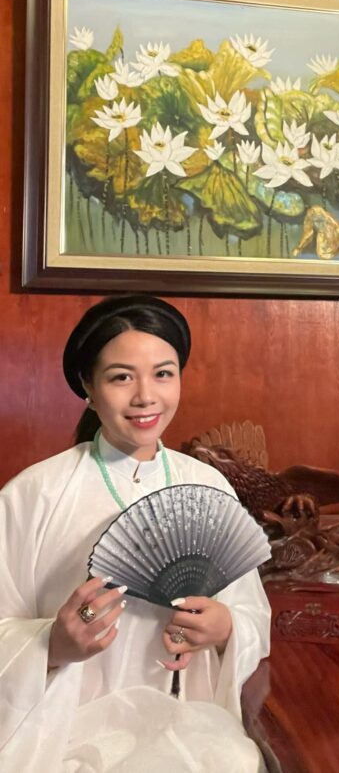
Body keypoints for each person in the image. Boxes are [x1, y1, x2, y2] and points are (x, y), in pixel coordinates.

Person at [0, 295, 271, 772]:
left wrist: (225, 629)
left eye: (163, 373)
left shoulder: (207, 486)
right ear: (88, 385)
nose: (146, 396)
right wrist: (52, 644)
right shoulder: (34, 495)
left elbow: (252, 615)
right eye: (121, 377)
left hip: (187, 726)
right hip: (61, 730)